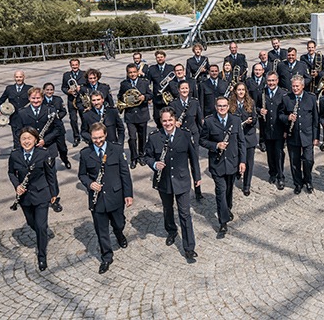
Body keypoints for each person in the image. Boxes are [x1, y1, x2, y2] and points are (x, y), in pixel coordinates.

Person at [146, 108, 202, 260]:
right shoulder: (154, 137)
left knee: (185, 214)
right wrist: (154, 164)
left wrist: (197, 176)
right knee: (167, 209)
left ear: (175, 119)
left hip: (182, 180)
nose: (167, 123)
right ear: (160, 122)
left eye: (170, 120)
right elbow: (147, 156)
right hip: (164, 181)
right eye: (164, 121)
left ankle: (189, 247)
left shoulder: (185, 134)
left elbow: (193, 157)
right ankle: (171, 231)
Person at [78, 123, 133, 274]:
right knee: (101, 230)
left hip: (115, 195)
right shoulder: (85, 153)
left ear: (106, 135)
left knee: (119, 222)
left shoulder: (116, 149)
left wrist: (128, 194)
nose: (98, 141)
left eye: (100, 137)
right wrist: (90, 184)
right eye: (95, 138)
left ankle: (119, 233)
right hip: (97, 200)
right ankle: (106, 257)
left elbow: (125, 174)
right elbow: (82, 174)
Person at [8, 127, 58, 271]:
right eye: (23, 139)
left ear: (35, 140)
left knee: (41, 226)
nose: (26, 141)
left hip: (41, 194)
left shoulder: (43, 154)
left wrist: (53, 193)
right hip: (25, 196)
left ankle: (42, 256)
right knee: (32, 223)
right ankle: (42, 234)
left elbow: (50, 175)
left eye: (29, 138)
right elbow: (11, 172)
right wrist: (17, 185)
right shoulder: (15, 155)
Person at [199, 96, 246, 238]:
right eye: (219, 106)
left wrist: (242, 161)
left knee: (229, 190)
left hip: (232, 163)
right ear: (215, 107)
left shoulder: (236, 120)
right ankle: (223, 222)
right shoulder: (209, 121)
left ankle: (228, 209)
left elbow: (241, 142)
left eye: (224, 106)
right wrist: (215, 145)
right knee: (221, 191)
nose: (222, 108)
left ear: (228, 106)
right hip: (217, 164)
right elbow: (202, 140)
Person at [14, 87, 65, 211]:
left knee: (51, 174)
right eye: (33, 98)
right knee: (34, 173)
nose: (35, 100)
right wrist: (27, 142)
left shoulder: (50, 110)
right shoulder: (22, 113)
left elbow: (58, 129)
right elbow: (17, 131)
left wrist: (45, 140)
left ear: (42, 98)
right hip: (30, 149)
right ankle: (37, 198)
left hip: (48, 147)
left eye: (38, 98)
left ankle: (54, 198)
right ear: (29, 98)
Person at [280, 75, 319, 194]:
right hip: (293, 135)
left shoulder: (311, 98)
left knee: (308, 160)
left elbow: (315, 119)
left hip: (307, 135)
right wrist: (287, 117)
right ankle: (297, 183)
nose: (295, 88)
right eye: (293, 86)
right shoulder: (287, 98)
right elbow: (280, 115)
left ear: (303, 86)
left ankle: (308, 180)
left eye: (297, 86)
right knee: (294, 162)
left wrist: (316, 137)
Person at [170, 80, 205, 201]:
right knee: (181, 164)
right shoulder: (173, 104)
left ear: (189, 89)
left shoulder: (194, 102)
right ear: (178, 90)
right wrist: (175, 124)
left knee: (195, 164)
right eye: (182, 88)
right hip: (180, 137)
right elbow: (168, 122)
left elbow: (199, 120)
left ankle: (198, 191)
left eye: (186, 88)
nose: (184, 90)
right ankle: (181, 189)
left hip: (193, 136)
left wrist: (200, 137)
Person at [117, 64, 153, 169]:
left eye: (134, 72)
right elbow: (120, 96)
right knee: (132, 138)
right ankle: (134, 158)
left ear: (137, 72)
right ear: (127, 73)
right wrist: (124, 99)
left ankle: (141, 155)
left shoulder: (144, 82)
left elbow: (150, 95)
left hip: (142, 114)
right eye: (130, 73)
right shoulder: (124, 84)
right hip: (130, 115)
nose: (132, 74)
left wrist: (144, 97)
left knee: (142, 137)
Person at [258, 72, 286, 189]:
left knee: (279, 154)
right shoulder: (262, 93)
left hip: (279, 130)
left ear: (277, 80)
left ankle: (280, 176)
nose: (271, 83)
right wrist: (260, 110)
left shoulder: (283, 94)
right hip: (267, 129)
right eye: (269, 81)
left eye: (273, 80)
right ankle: (272, 173)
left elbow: (286, 112)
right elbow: (256, 106)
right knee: (270, 154)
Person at [230, 82, 258, 196]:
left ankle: (246, 185)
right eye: (239, 90)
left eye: (243, 90)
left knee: (249, 163)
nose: (241, 92)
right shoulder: (230, 104)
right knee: (236, 159)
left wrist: (252, 121)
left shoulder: (251, 102)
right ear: (235, 91)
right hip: (236, 138)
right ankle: (237, 172)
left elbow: (255, 118)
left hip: (248, 136)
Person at [0, 70, 31, 146]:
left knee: (28, 137)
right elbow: (1, 100)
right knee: (16, 139)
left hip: (27, 118)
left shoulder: (30, 89)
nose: (19, 79)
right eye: (17, 77)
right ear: (14, 78)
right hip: (14, 119)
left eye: (20, 77)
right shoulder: (9, 89)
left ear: (24, 77)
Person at [42, 82, 71, 169]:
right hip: (47, 130)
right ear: (43, 90)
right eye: (47, 90)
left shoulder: (58, 99)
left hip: (58, 128)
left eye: (51, 90)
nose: (49, 92)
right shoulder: (41, 100)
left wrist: (57, 116)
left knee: (63, 148)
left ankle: (65, 160)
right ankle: (49, 165)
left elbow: (63, 111)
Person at [61, 59, 88, 147]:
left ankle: (84, 134)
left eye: (76, 65)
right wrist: (68, 91)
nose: (75, 66)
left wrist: (81, 89)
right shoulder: (66, 75)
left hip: (81, 99)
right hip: (71, 100)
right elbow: (63, 87)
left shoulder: (84, 74)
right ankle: (76, 137)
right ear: (70, 65)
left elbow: (88, 87)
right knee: (73, 120)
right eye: (73, 65)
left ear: (79, 65)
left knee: (84, 118)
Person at [148, 50, 175, 130]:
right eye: (158, 57)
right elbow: (148, 83)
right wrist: (149, 96)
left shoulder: (171, 68)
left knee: (170, 116)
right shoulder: (152, 69)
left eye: (161, 57)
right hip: (157, 98)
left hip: (169, 98)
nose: (160, 59)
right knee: (157, 117)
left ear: (164, 57)